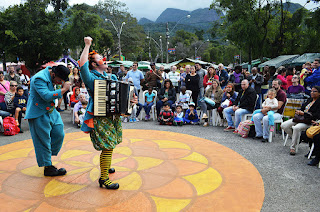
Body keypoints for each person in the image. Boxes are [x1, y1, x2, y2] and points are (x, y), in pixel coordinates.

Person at [79, 37, 137, 189]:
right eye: (100, 58)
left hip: (113, 117)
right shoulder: (91, 78)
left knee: (112, 144)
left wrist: (131, 101)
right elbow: (82, 65)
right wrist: (87, 45)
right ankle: (104, 178)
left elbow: (121, 96)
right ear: (93, 64)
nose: (105, 60)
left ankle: (106, 166)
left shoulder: (110, 77)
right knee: (107, 146)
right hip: (100, 117)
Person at [25, 64, 71, 176]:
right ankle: (48, 167)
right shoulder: (39, 78)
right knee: (43, 140)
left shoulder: (53, 76)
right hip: (38, 112)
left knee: (59, 133)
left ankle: (47, 156)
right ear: (53, 74)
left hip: (51, 110)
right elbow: (46, 96)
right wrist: (63, 90)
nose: (60, 83)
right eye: (59, 81)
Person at [281, 86, 320, 155]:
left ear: (319, 93)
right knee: (284, 125)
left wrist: (304, 113)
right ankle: (297, 138)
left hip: (309, 121)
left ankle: (293, 147)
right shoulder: (309, 99)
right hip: (300, 118)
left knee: (297, 128)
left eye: (314, 91)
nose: (312, 92)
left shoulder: (319, 102)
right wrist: (299, 112)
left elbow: (316, 115)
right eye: (311, 91)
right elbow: (302, 107)